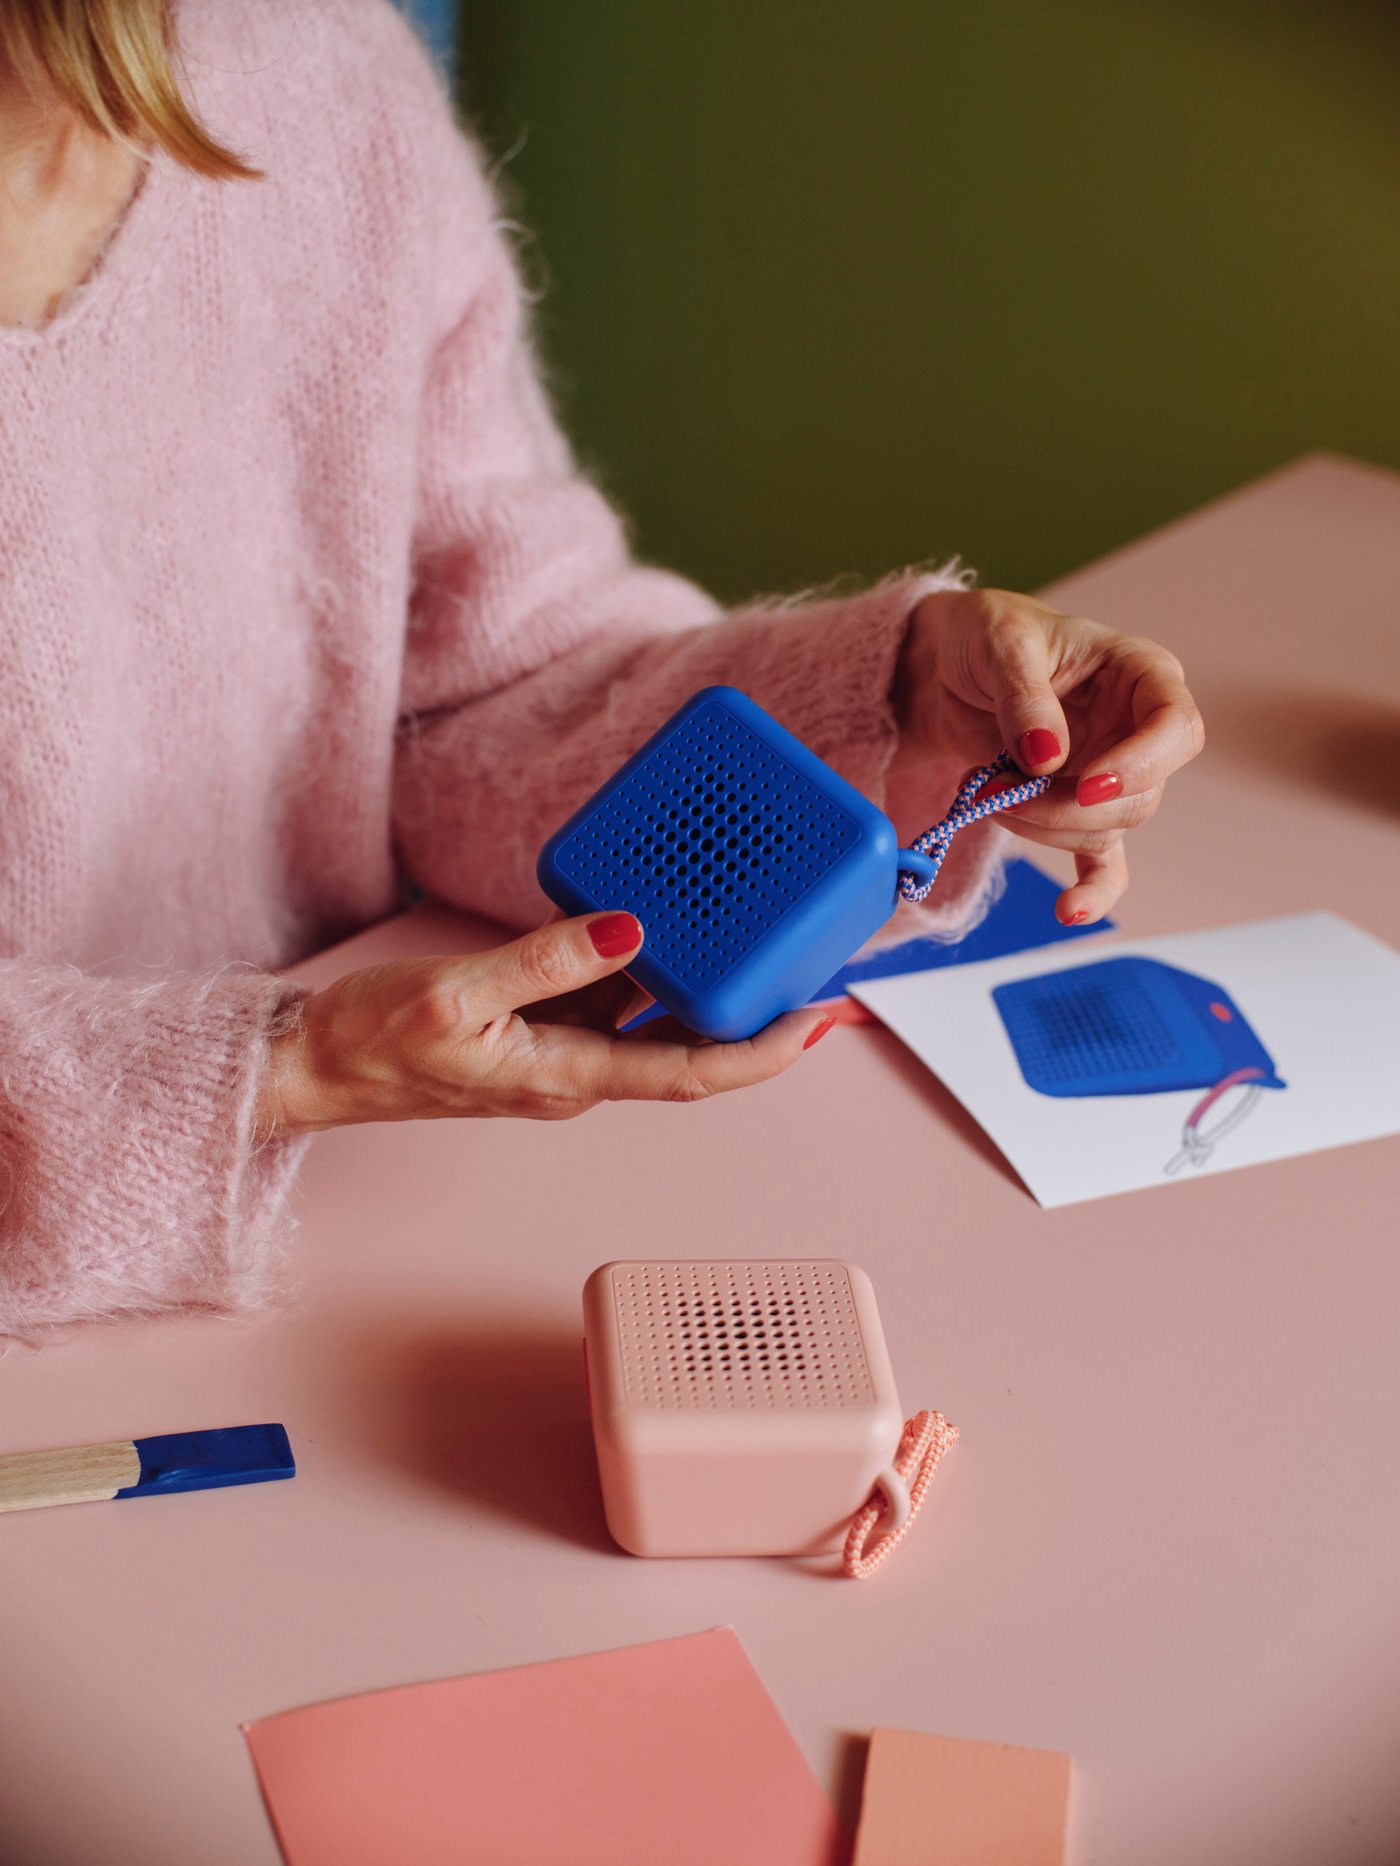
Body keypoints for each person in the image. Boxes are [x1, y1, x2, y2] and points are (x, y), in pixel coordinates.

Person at [0, 0, 1203, 1338]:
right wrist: (273, 1068)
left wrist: (905, 707)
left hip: (353, 1213)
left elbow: (491, 683)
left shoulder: (318, 77)